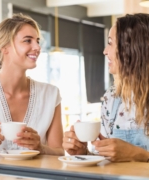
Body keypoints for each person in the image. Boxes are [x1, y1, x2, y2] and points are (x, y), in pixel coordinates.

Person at [0, 13, 64, 155]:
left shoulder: (51, 94)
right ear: (4, 47)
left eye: (37, 41)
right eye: (27, 41)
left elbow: (59, 152)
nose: (37, 47)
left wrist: (41, 148)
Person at [63, 13, 149, 162]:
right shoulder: (112, 97)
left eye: (110, 43)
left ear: (132, 48)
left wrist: (138, 155)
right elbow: (105, 162)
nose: (105, 51)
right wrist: (83, 152)